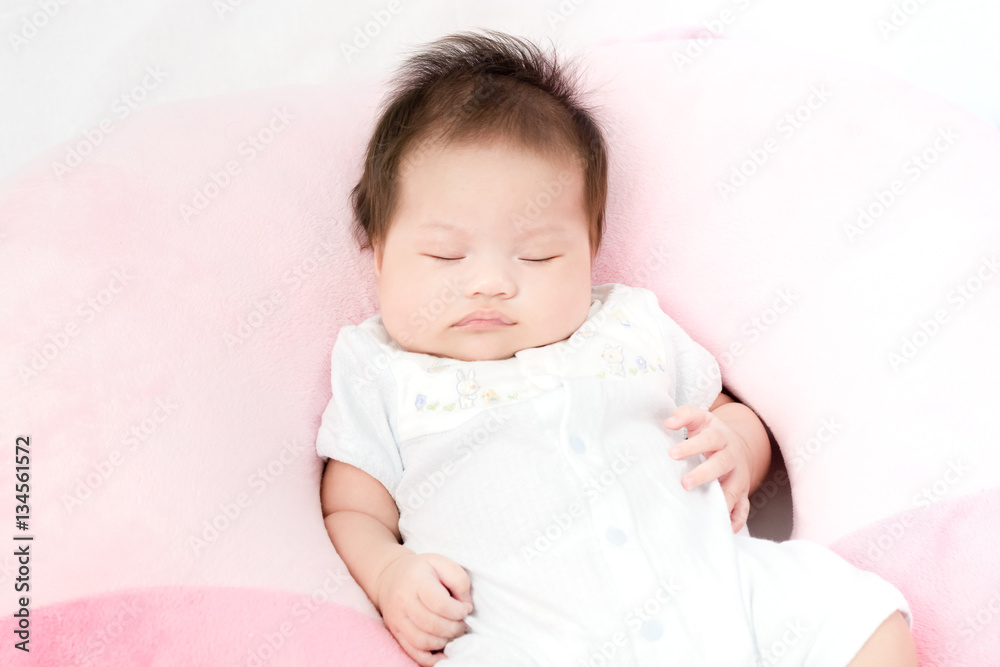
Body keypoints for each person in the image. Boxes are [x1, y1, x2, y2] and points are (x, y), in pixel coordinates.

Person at [317, 29, 918, 667]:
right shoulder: (384, 371)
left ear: (590, 250)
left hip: (716, 593)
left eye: (537, 255)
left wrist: (738, 449)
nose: (490, 282)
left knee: (859, 617)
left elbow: (730, 414)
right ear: (379, 255)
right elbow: (352, 507)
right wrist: (389, 574)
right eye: (444, 255)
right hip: (528, 642)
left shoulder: (627, 326)